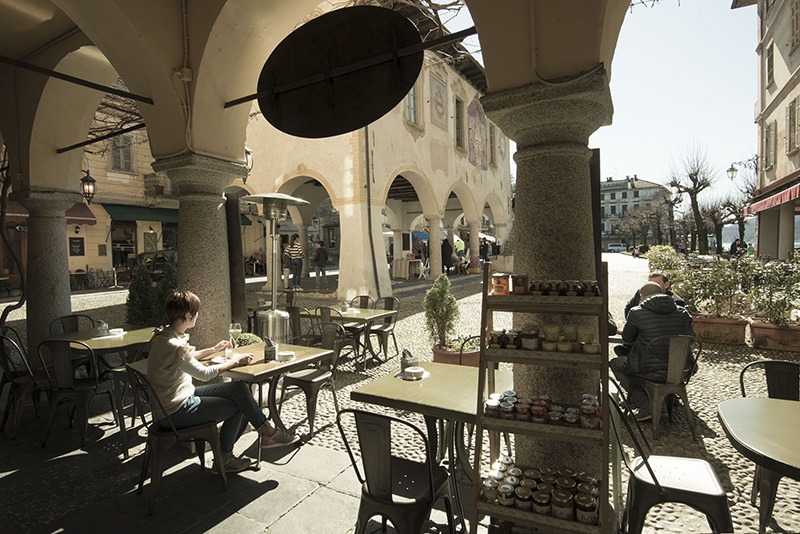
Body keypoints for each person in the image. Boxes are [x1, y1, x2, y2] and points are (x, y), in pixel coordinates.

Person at [147, 290, 298, 473]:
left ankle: (267, 433)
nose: (197, 315)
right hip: (175, 411)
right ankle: (225, 458)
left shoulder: (164, 337)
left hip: (173, 402)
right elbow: (204, 373)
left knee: (239, 389)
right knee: (241, 405)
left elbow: (187, 358)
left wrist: (213, 349)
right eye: (196, 311)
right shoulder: (175, 346)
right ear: (188, 315)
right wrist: (234, 361)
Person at [610, 282, 695, 421]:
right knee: (646, 365)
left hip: (650, 370)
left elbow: (627, 338)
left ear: (641, 296)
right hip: (682, 370)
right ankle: (662, 401)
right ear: (663, 293)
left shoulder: (637, 313)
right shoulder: (682, 312)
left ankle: (646, 405)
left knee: (616, 363)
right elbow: (691, 338)